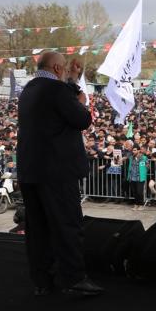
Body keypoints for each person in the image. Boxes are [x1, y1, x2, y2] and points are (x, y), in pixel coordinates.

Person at [17, 52, 103, 296]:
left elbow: (59, 102)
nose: (66, 71)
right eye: (64, 68)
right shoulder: (56, 90)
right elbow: (82, 120)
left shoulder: (30, 89)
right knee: (66, 225)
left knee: (38, 228)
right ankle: (73, 279)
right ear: (56, 68)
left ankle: (42, 281)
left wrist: (73, 78)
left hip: (31, 169)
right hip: (57, 171)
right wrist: (82, 102)